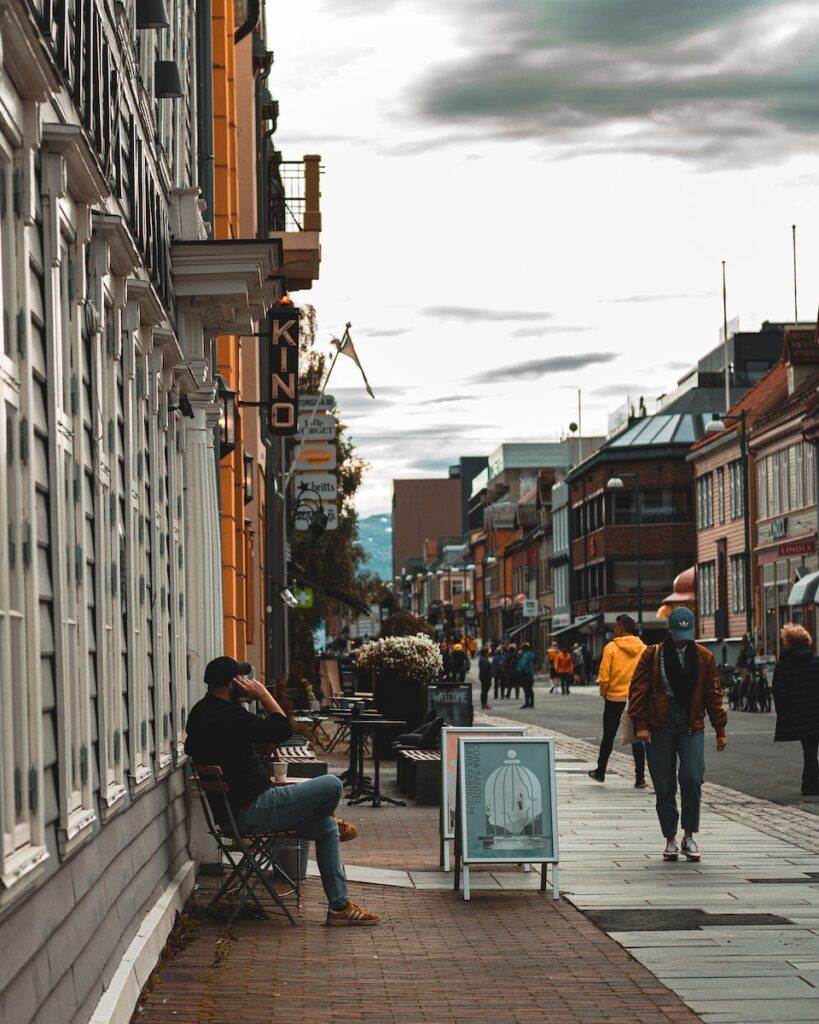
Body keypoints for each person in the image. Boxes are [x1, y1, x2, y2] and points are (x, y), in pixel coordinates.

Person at [185, 656, 380, 926]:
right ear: (233, 685)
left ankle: (339, 907)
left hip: (231, 814)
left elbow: (191, 749)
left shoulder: (198, 714)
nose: (249, 684)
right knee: (333, 785)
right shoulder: (232, 717)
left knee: (326, 829)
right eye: (244, 681)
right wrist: (264, 695)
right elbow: (282, 729)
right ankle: (327, 827)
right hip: (255, 808)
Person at [628, 608, 728, 863]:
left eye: (687, 633)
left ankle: (689, 834)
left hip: (691, 725)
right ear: (669, 630)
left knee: (693, 778)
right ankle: (670, 838)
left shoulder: (704, 656)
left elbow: (714, 692)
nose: (682, 639)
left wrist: (720, 728)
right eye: (678, 633)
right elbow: (638, 689)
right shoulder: (653, 655)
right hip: (659, 725)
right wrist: (640, 723)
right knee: (664, 784)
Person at [587, 614, 646, 787]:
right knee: (637, 737)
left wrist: (604, 691)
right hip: (635, 697)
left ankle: (600, 771)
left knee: (608, 736)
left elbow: (604, 675)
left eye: (616, 626)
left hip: (614, 697)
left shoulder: (611, 647)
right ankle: (640, 778)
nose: (614, 629)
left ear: (621, 628)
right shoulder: (643, 648)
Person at [772, 623, 819, 797]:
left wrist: (784, 715)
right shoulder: (816, 662)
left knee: (809, 750)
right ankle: (810, 784)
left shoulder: (783, 666)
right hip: (816, 711)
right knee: (811, 749)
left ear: (788, 643)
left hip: (799, 715)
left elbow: (779, 693)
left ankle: (810, 785)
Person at [517, 641, 536, 708]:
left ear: (523, 649)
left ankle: (527, 703)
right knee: (530, 689)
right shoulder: (530, 654)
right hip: (530, 673)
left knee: (526, 689)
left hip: (525, 673)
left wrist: (519, 668)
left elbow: (523, 664)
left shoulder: (525, 655)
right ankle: (532, 703)